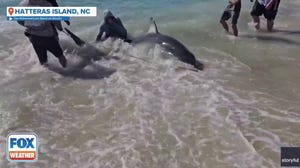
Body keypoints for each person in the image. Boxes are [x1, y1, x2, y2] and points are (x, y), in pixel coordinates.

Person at [17, 0, 67, 68]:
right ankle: (67, 72)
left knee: (43, 61)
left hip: (33, 37)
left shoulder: (22, 4)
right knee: (60, 56)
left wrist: (30, 26)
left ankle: (46, 74)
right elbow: (56, 19)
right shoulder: (46, 4)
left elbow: (19, 20)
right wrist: (60, 28)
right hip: (47, 36)